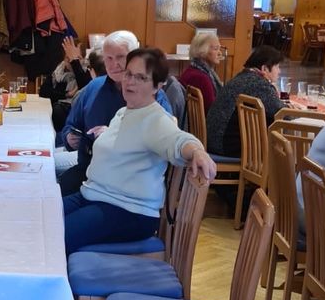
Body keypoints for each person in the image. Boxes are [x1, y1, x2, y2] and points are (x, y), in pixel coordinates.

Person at [63, 47, 216, 255]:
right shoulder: (124, 112)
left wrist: (198, 151)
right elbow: (132, 137)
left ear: (157, 86)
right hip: (94, 196)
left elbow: (177, 139)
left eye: (141, 77)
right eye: (128, 74)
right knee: (41, 219)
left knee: (54, 237)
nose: (130, 81)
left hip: (127, 211)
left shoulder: (156, 119)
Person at [58, 30, 173, 196]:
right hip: (88, 169)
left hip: (127, 183)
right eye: (108, 58)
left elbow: (165, 140)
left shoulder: (152, 95)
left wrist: (112, 135)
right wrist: (69, 138)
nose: (114, 64)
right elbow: (70, 125)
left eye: (120, 57)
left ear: (135, 59)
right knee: (51, 195)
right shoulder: (93, 88)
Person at [206, 45, 285, 158]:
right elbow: (283, 115)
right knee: (280, 145)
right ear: (264, 69)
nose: (279, 71)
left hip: (213, 140)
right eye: (277, 66)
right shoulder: (259, 84)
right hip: (225, 145)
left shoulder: (243, 77)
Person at [179, 32, 224, 112]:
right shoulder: (201, 78)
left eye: (219, 49)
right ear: (202, 51)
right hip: (207, 123)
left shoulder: (193, 70)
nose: (220, 53)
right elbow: (212, 111)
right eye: (216, 49)